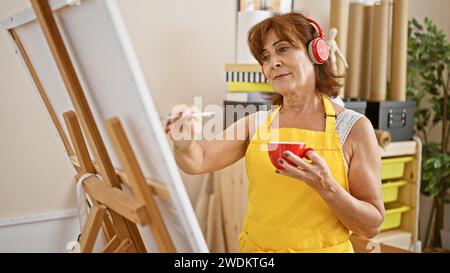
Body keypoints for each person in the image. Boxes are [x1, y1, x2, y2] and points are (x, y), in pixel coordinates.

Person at [164, 12, 384, 253]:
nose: (273, 63)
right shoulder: (255, 123)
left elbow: (371, 225)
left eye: (283, 49)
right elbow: (199, 160)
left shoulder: (353, 128)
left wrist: (327, 187)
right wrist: (184, 143)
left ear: (315, 53)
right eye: (265, 57)